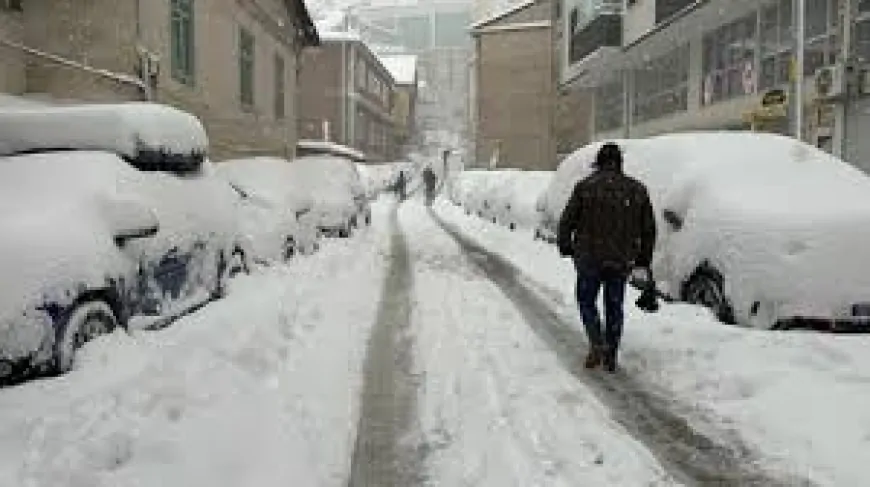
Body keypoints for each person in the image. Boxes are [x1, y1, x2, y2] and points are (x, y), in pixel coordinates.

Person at [557, 143, 657, 372]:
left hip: (589, 257)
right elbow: (649, 229)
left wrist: (566, 245)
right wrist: (643, 260)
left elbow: (567, 221)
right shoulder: (637, 190)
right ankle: (611, 352)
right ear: (619, 162)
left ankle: (596, 341)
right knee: (614, 305)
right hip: (620, 258)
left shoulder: (585, 188)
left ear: (599, 162)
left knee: (586, 300)